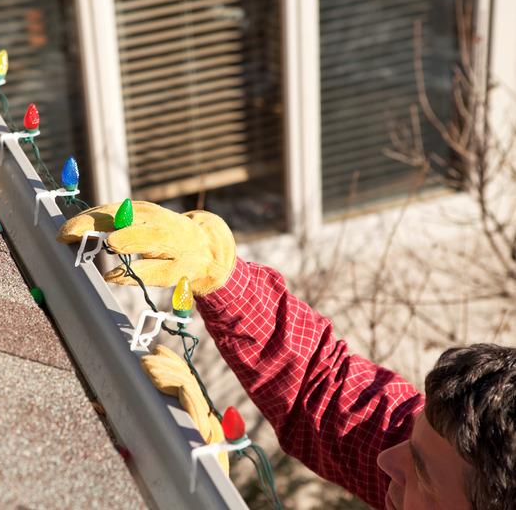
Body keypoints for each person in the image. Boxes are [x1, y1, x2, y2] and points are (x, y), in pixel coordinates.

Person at [58, 201, 516, 510]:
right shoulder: (451, 451)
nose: (385, 461)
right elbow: (324, 390)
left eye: (420, 473)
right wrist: (219, 274)